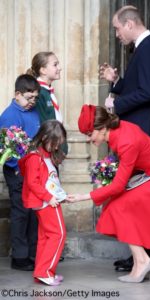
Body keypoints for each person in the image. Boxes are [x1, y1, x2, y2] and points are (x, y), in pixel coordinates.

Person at [68, 104, 150, 283]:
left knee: (119, 207)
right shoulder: (117, 132)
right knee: (117, 206)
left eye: (89, 133)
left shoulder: (125, 141)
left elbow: (118, 186)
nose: (88, 139)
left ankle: (143, 261)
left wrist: (83, 197)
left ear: (102, 129)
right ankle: (141, 261)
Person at [99, 5, 150, 270]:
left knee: (142, 197)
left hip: (145, 132)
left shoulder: (148, 48)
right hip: (142, 131)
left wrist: (115, 105)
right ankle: (142, 255)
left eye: (117, 28)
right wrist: (116, 82)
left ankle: (146, 257)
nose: (116, 34)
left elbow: (148, 93)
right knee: (138, 197)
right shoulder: (144, 48)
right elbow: (139, 87)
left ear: (129, 24)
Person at [18, 120, 70, 286]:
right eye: (55, 143)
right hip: (46, 202)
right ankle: (45, 272)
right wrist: (49, 198)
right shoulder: (35, 158)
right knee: (58, 234)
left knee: (45, 237)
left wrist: (61, 195)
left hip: (48, 200)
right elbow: (33, 183)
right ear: (45, 137)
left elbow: (51, 180)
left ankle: (41, 272)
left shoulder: (44, 156)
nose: (56, 147)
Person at [0, 74, 41, 271]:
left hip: (33, 170)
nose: (32, 102)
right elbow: (6, 148)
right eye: (28, 98)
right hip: (17, 171)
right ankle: (19, 257)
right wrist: (17, 169)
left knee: (33, 212)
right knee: (20, 213)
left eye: (35, 98)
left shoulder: (32, 111)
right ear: (17, 94)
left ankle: (33, 253)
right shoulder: (9, 115)